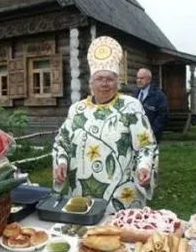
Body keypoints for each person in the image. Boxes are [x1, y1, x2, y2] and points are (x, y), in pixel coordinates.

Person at [53, 36, 158, 213]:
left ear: (118, 83)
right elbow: (62, 143)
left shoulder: (131, 107)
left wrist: (144, 166)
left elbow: (146, 145)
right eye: (99, 78)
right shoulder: (77, 110)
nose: (104, 84)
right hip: (82, 194)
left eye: (110, 79)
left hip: (123, 196)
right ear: (91, 83)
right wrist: (61, 162)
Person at [134, 68, 169, 143]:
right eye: (137, 78)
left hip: (152, 136)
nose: (139, 80)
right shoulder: (135, 94)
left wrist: (150, 133)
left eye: (142, 78)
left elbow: (162, 117)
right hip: (135, 135)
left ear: (149, 79)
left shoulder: (159, 96)